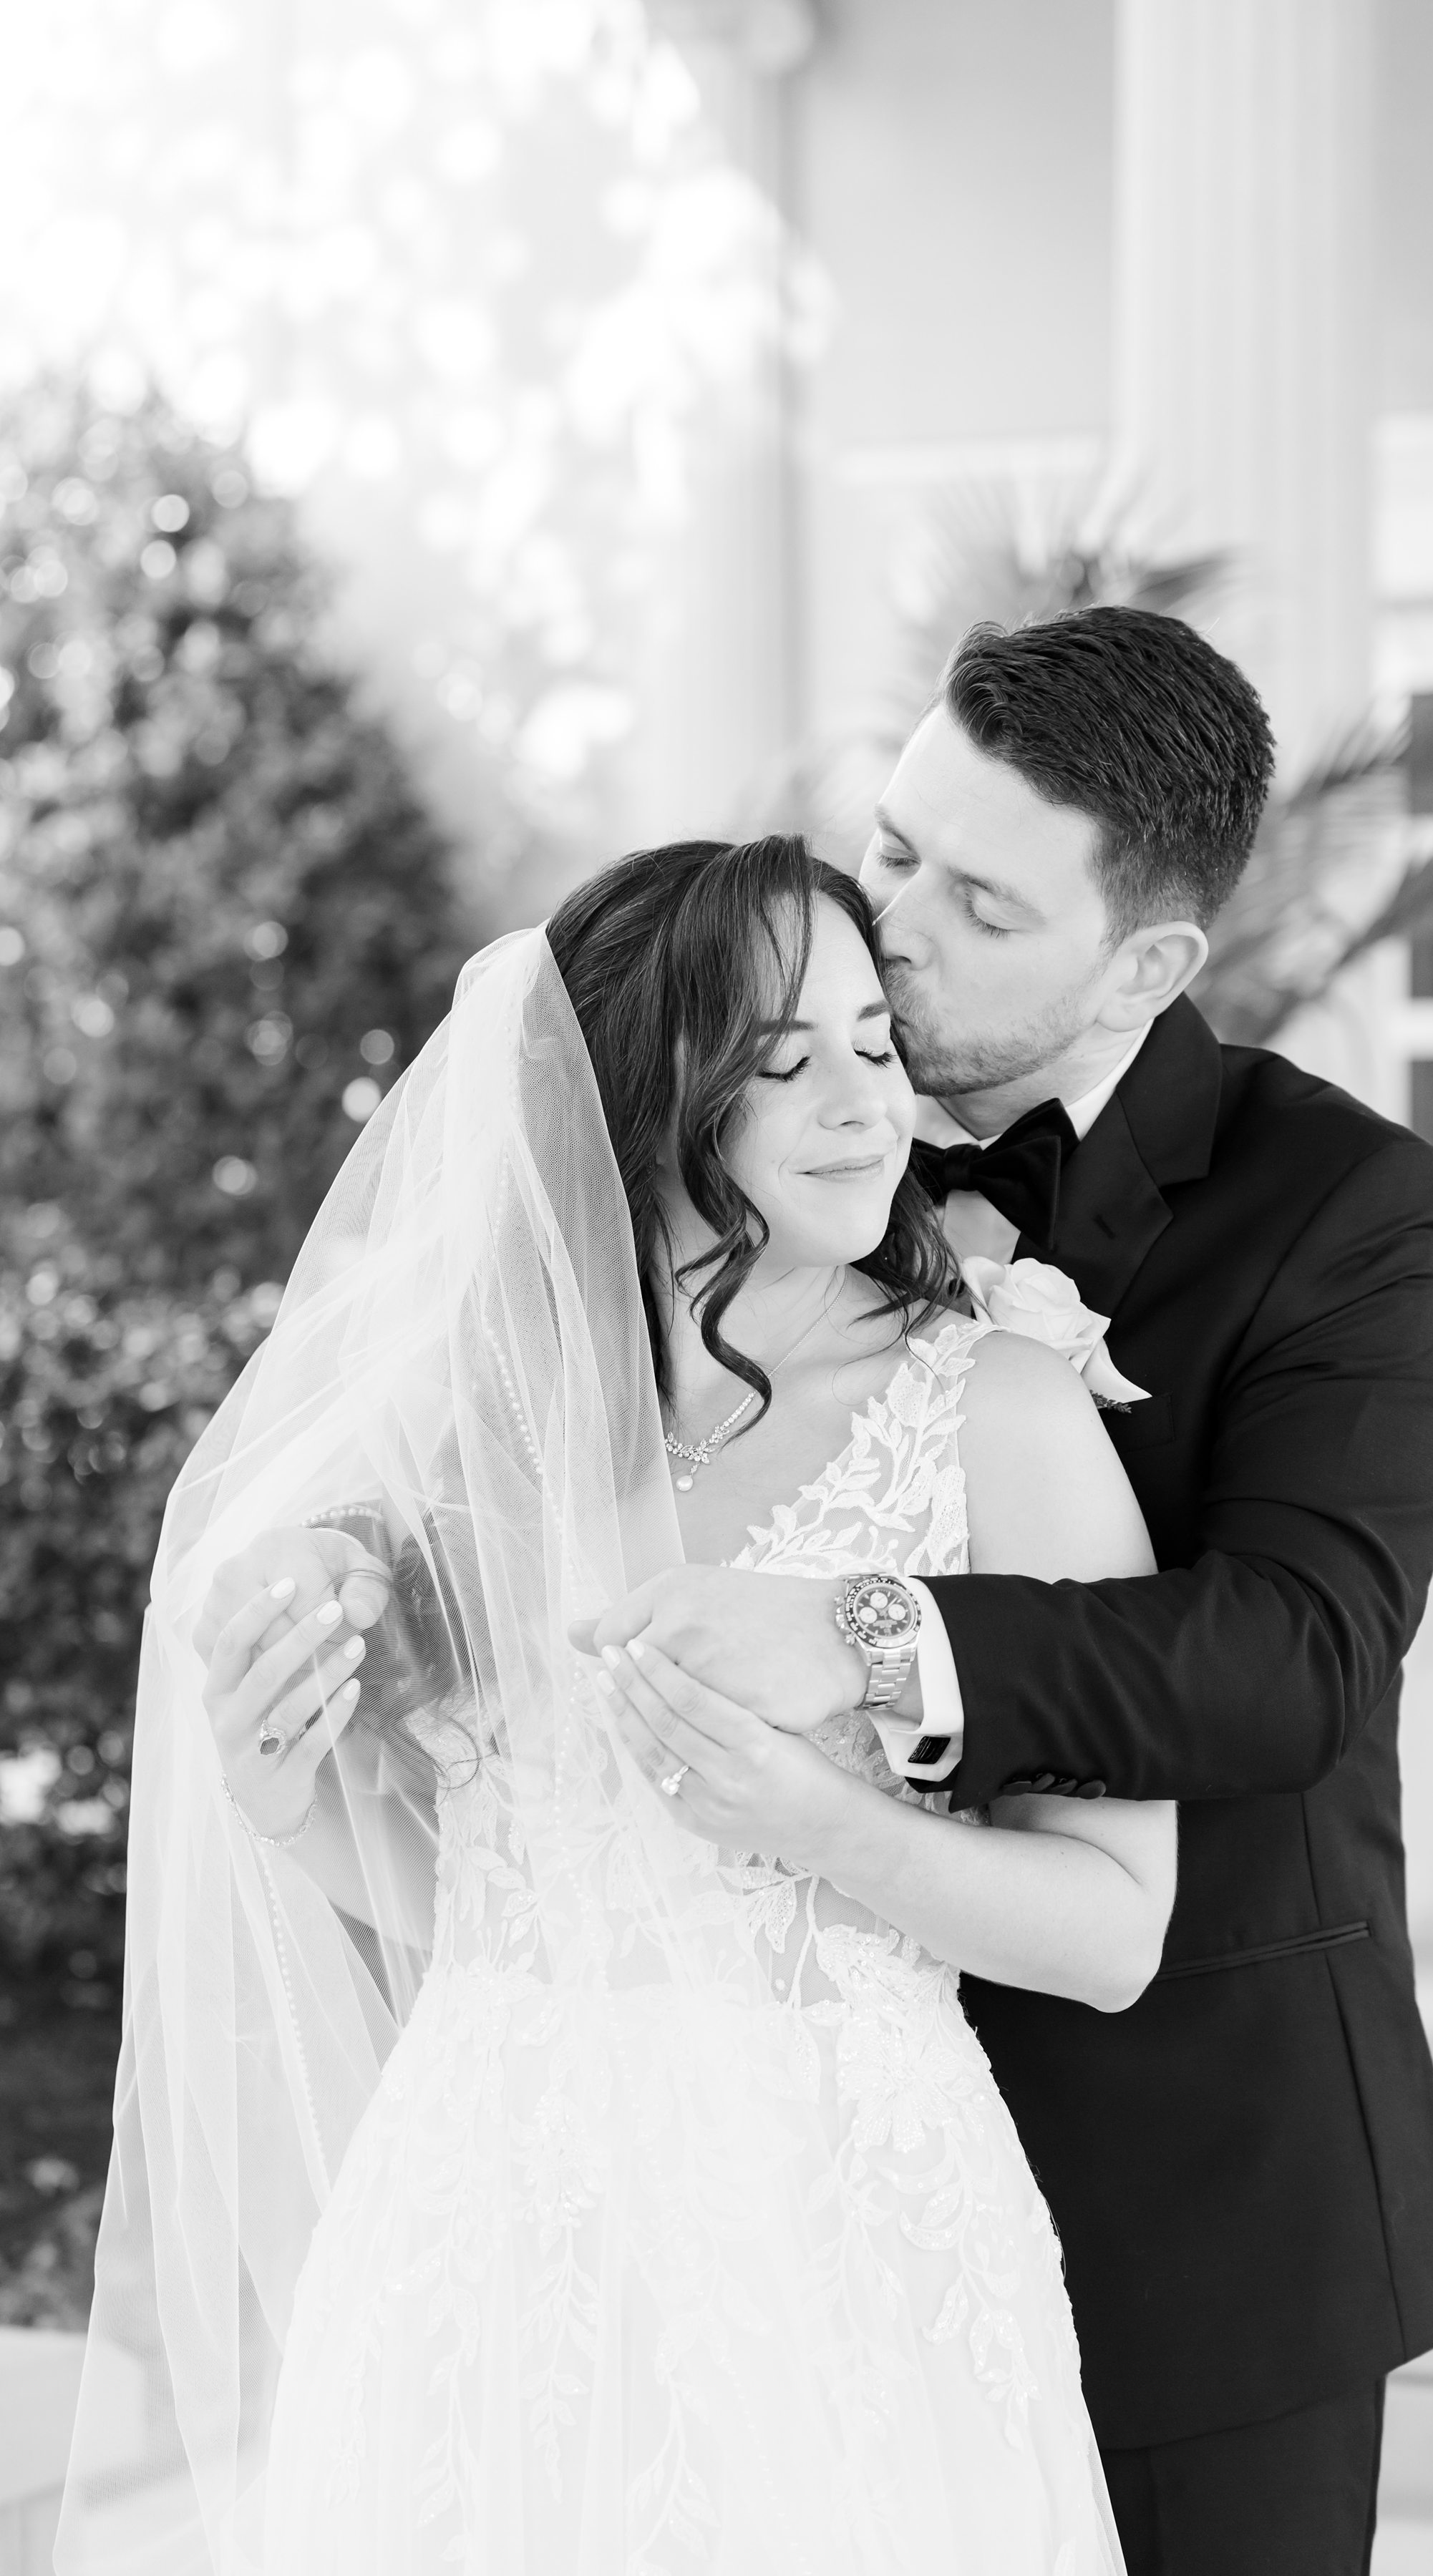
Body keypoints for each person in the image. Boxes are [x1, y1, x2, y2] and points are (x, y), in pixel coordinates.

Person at [58, 836, 1176, 2576]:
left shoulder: (996, 1419)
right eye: (781, 1061)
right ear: (640, 1096)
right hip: (485, 2229)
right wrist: (294, 1794)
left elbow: (1114, 1929)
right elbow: (490, 1909)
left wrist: (822, 1825)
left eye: (873, 1044)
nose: (863, 1105)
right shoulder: (464, 1432)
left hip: (841, 2245)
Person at [582, 608, 1433, 2576]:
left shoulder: (1345, 1213)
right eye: (895, 846)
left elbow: (1298, 1656)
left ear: (1147, 961)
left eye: (978, 904)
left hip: (1193, 2210)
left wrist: (862, 1631)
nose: (889, 928)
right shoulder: (737, 1134)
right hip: (774, 2199)